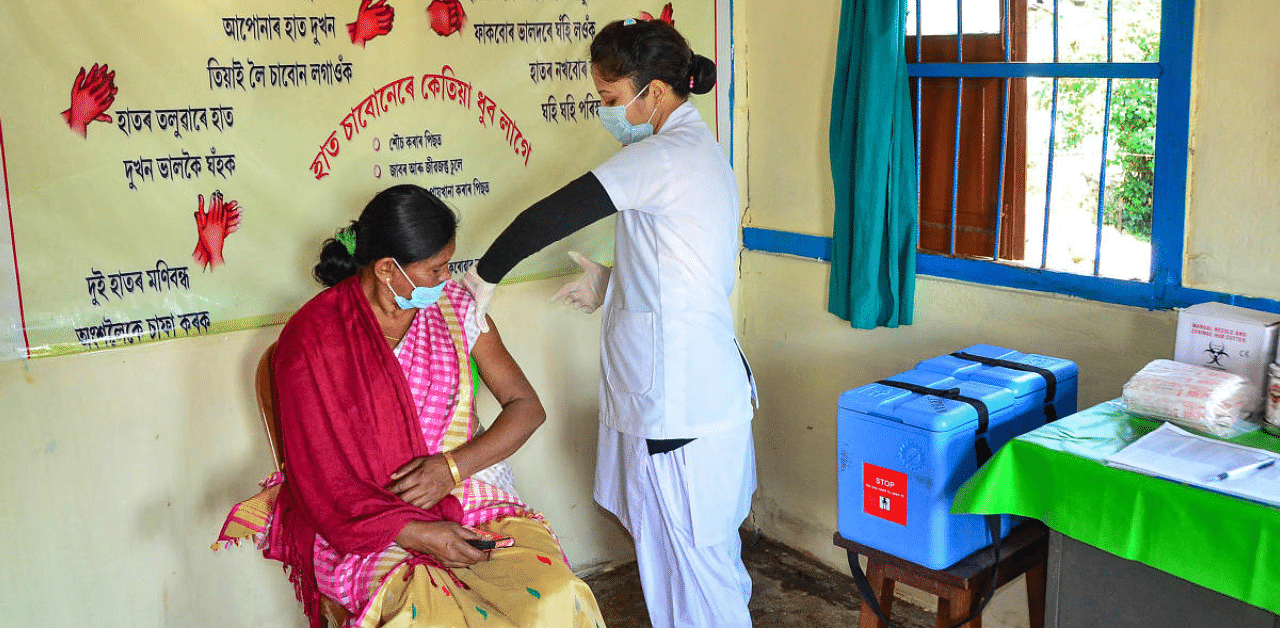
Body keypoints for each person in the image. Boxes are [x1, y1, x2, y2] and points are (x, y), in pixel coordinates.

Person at [461, 18, 757, 628]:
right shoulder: (694, 150)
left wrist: (482, 281)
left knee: (699, 574)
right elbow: (684, 264)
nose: (607, 114)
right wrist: (613, 283)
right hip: (694, 395)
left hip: (682, 406)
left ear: (653, 91)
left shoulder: (665, 154)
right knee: (681, 564)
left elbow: (552, 213)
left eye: (611, 100)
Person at [261, 184, 605, 628]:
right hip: (366, 525)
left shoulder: (457, 311)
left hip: (469, 500)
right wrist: (417, 531)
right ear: (388, 268)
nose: (448, 281)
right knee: (427, 618)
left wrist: (452, 468)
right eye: (436, 269)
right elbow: (322, 478)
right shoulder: (312, 339)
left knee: (553, 596)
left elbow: (526, 408)